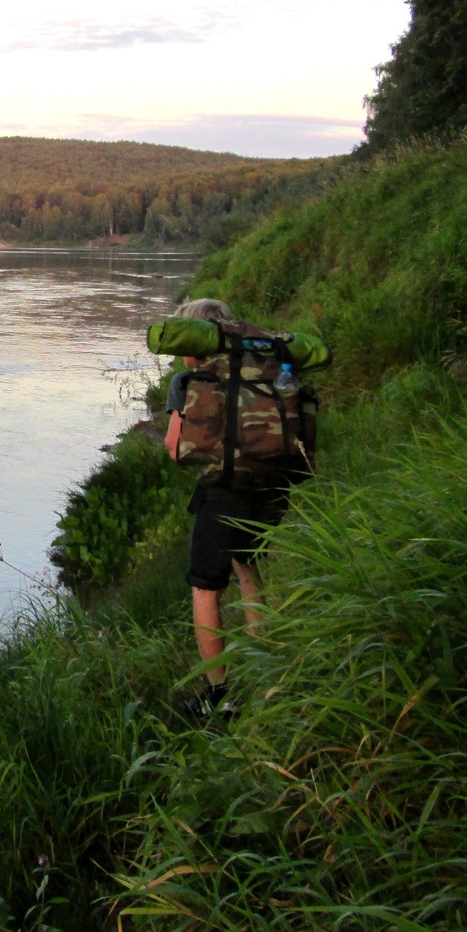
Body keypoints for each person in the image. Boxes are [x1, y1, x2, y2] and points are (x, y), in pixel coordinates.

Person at [163, 297, 297, 718]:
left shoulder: (189, 379)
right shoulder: (266, 367)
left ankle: (218, 697)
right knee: (248, 569)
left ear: (194, 338)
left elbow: (174, 449)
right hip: (274, 484)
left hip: (223, 489)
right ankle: (264, 673)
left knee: (206, 587)